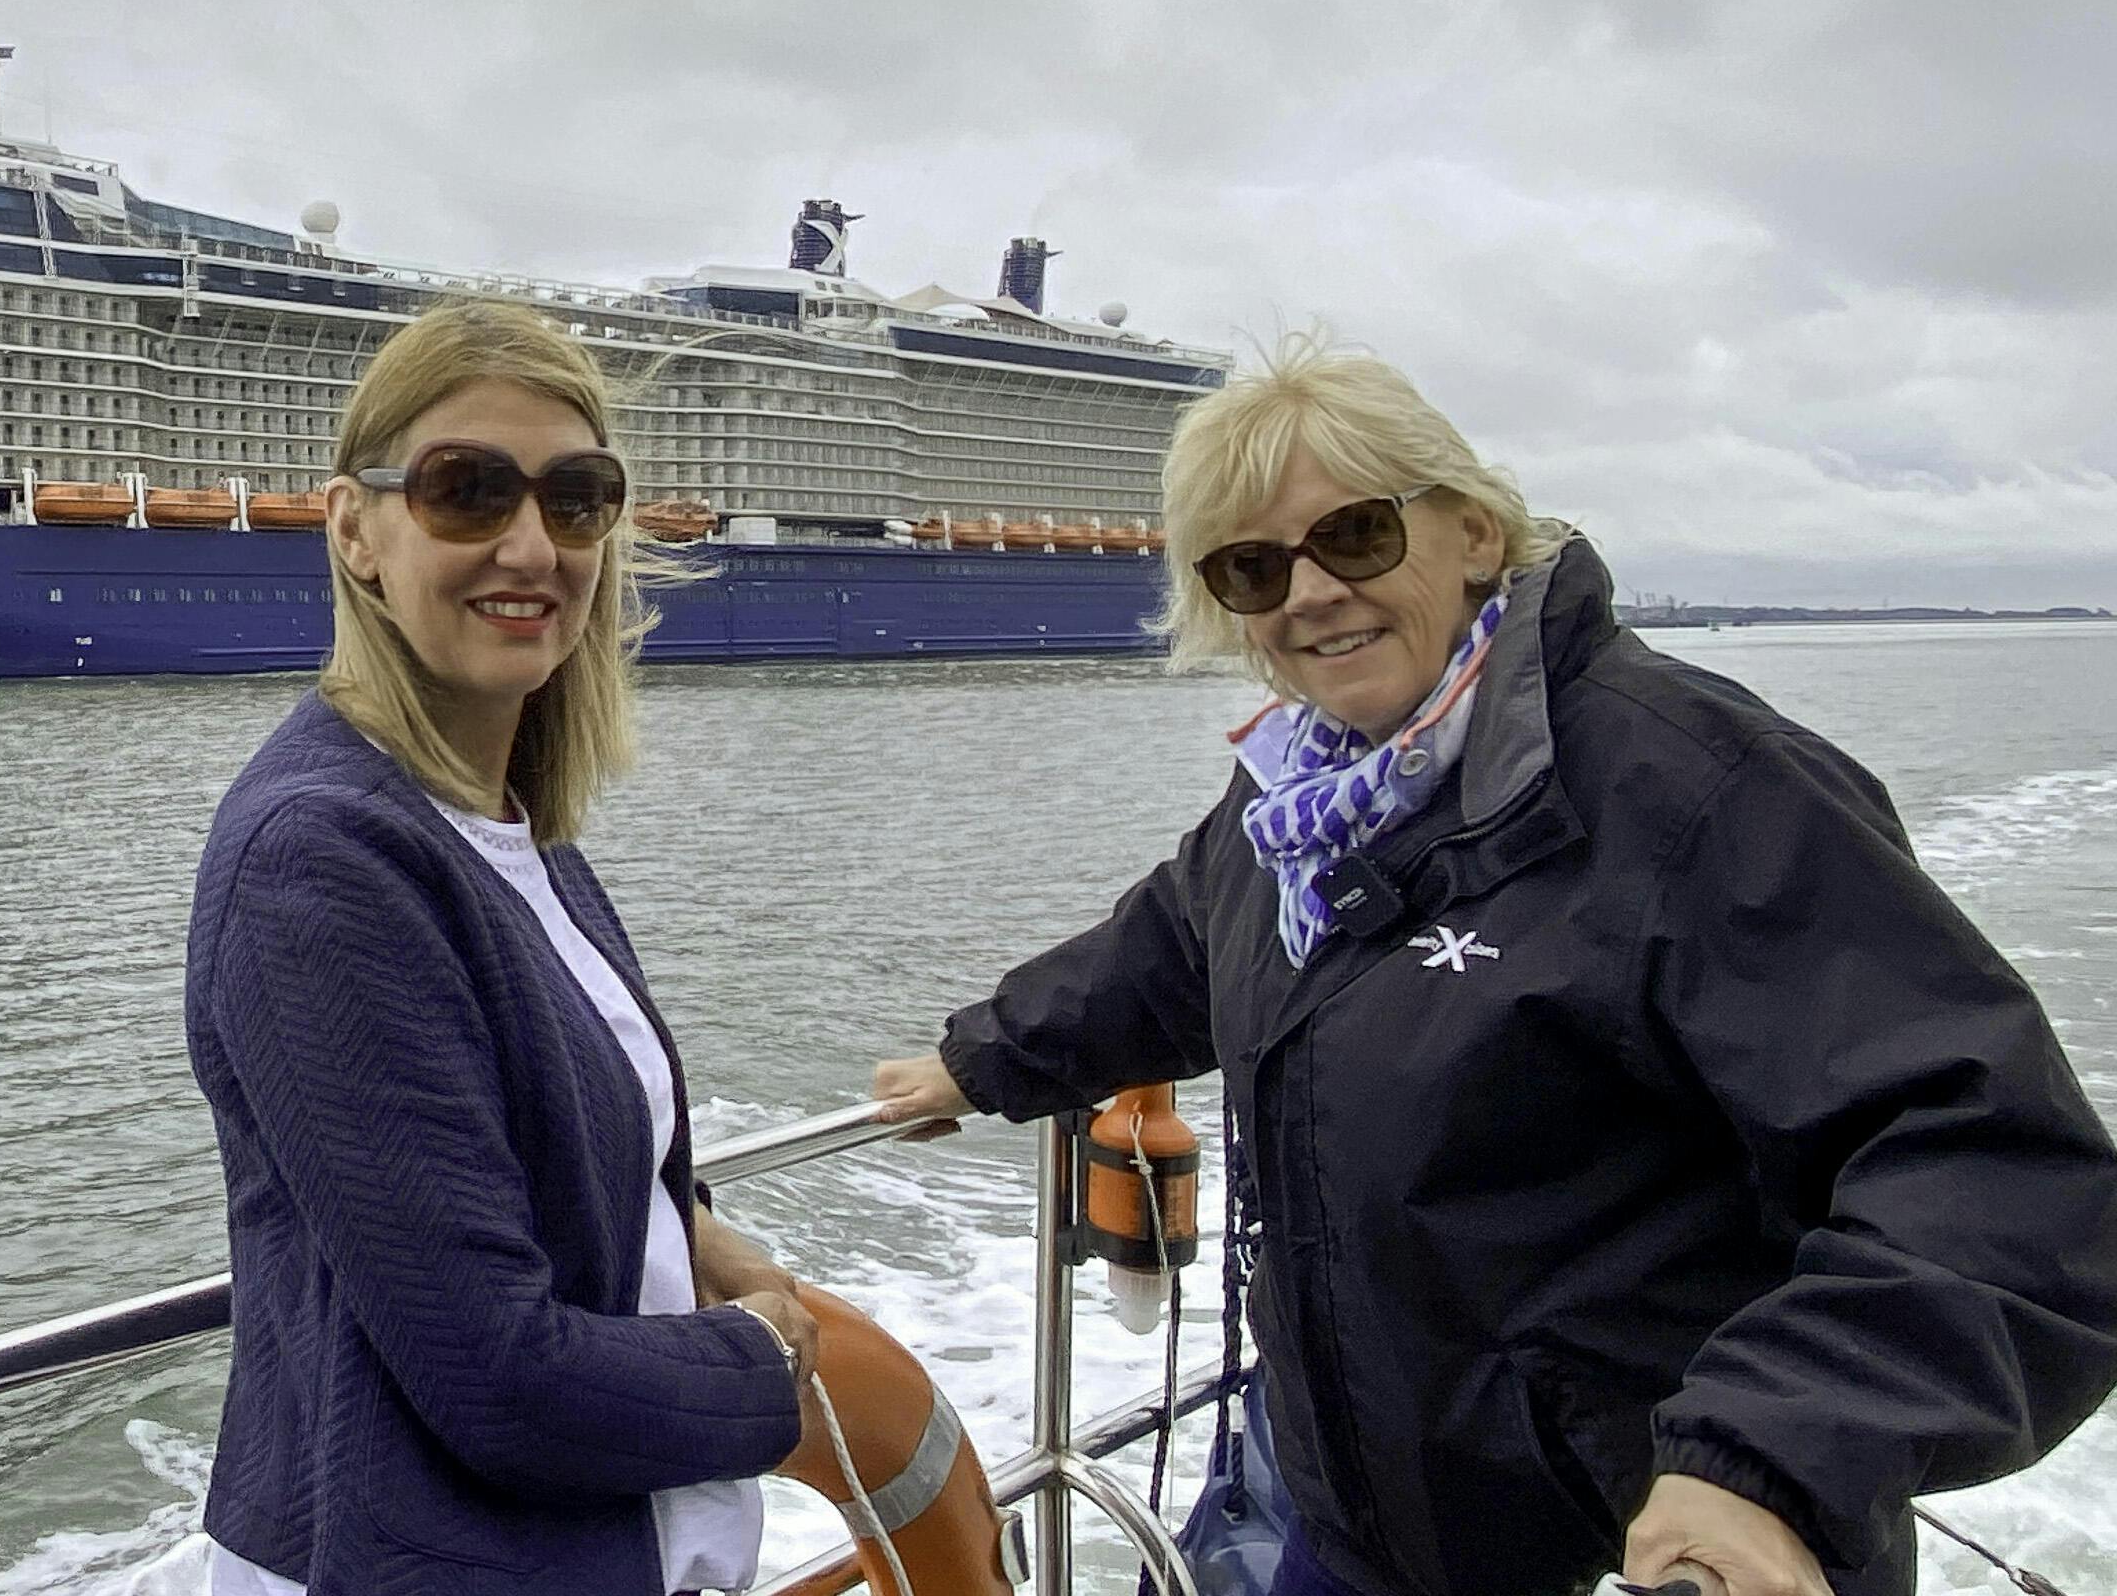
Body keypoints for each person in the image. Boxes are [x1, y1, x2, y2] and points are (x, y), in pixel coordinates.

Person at [868, 336, 2117, 1596]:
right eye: (1251, 567)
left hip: (1642, 1552)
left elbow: (1997, 1171)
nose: (1304, 592)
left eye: (1351, 536)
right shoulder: (1296, 800)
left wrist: (1767, 1457)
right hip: (1347, 1513)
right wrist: (982, 1058)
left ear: (1471, 532)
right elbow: (1175, 946)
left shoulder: (1690, 785)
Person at [185, 301, 813, 1595]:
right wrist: (767, 1356)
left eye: (577, 499)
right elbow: (500, 1380)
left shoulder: (509, 826)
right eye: (466, 491)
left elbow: (520, 1139)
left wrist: (694, 1232)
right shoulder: (321, 861)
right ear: (354, 528)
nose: (531, 543)